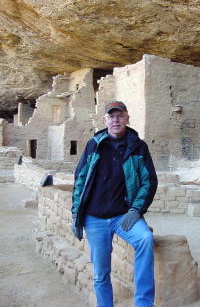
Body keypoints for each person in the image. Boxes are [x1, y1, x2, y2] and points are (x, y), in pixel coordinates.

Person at [71, 101, 158, 307]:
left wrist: (136, 209)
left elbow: (149, 180)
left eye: (120, 116)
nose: (116, 120)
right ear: (105, 120)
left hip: (123, 216)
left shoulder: (138, 146)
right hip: (95, 218)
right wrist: (76, 215)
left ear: (127, 119)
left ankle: (143, 303)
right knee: (101, 273)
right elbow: (80, 180)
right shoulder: (95, 144)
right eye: (112, 116)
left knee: (145, 239)